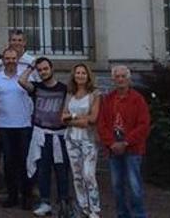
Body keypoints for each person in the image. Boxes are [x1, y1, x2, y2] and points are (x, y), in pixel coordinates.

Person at [19, 57, 71, 218]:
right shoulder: (36, 87)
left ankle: (64, 201)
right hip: (41, 134)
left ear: (52, 68)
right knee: (43, 170)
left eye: (45, 69)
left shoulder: (64, 89)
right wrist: (31, 67)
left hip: (59, 135)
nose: (43, 72)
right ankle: (45, 202)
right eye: (40, 70)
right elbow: (21, 81)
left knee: (62, 170)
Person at [98, 65, 150, 218]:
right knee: (117, 186)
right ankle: (122, 214)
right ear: (113, 80)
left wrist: (126, 142)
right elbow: (102, 124)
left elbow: (144, 125)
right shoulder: (108, 99)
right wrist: (111, 143)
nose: (120, 79)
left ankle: (139, 214)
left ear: (128, 79)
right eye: (117, 77)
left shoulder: (137, 100)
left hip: (132, 148)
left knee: (134, 185)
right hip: (114, 148)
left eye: (123, 76)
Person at [0, 48, 34, 209]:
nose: (10, 61)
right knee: (8, 163)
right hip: (4, 127)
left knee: (24, 162)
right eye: (7, 58)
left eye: (13, 58)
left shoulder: (25, 77)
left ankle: (27, 196)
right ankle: (12, 196)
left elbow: (33, 91)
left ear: (17, 59)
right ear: (3, 60)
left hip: (24, 126)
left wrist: (30, 69)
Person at [63, 63, 102, 218]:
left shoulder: (94, 95)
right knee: (77, 175)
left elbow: (92, 119)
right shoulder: (69, 94)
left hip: (88, 139)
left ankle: (95, 208)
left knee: (88, 175)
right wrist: (77, 119)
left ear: (88, 75)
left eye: (83, 73)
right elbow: (62, 117)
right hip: (71, 138)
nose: (80, 75)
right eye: (77, 73)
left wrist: (71, 118)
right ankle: (83, 207)